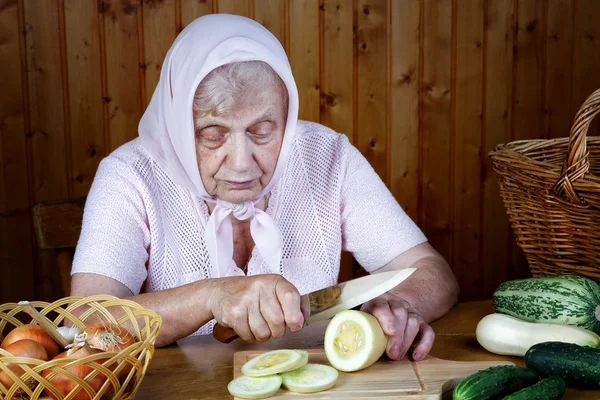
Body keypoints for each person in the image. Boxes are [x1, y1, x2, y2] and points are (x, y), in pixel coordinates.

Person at [70, 13, 459, 362]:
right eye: (212, 134)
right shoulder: (130, 173)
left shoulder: (327, 156)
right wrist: (211, 296)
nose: (240, 163)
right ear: (176, 124)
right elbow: (87, 320)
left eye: (262, 131)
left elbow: (430, 271)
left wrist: (401, 304)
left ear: (287, 117)